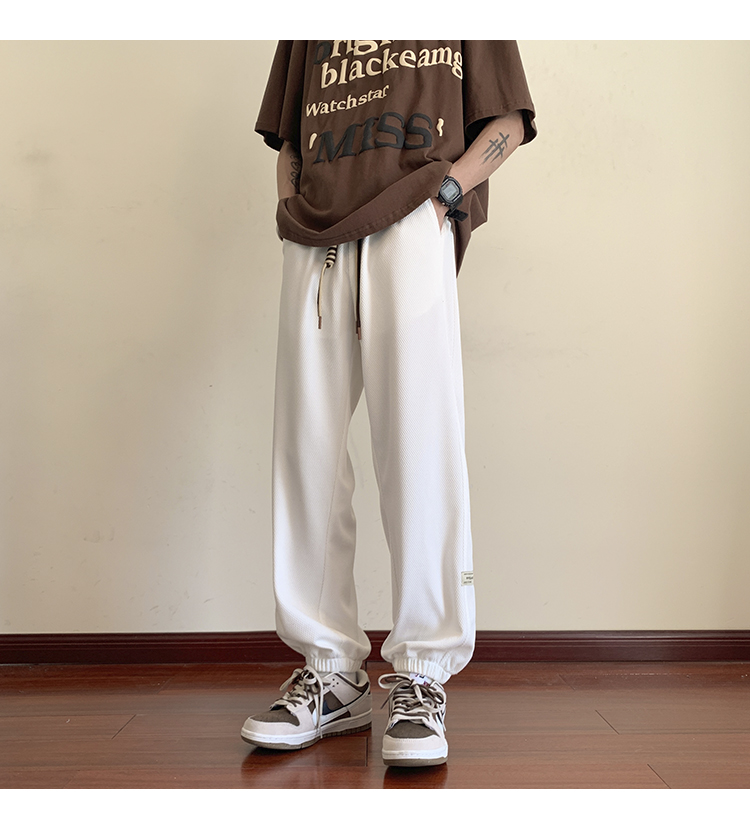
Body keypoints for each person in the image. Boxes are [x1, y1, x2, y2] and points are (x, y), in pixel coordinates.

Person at [241, 40, 537, 767]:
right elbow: (288, 132)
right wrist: (292, 204)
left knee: (418, 446)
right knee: (306, 449)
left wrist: (445, 198)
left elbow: (507, 119)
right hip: (314, 233)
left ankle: (423, 672)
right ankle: (331, 672)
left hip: (413, 215)